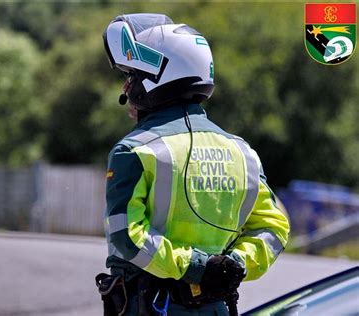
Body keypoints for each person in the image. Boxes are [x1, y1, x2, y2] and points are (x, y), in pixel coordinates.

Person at [96, 13, 290, 316]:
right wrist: (231, 266)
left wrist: (197, 267)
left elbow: (127, 237)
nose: (126, 88)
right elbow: (274, 228)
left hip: (149, 307)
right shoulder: (244, 153)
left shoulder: (133, 151)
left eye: (132, 77)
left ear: (155, 79)